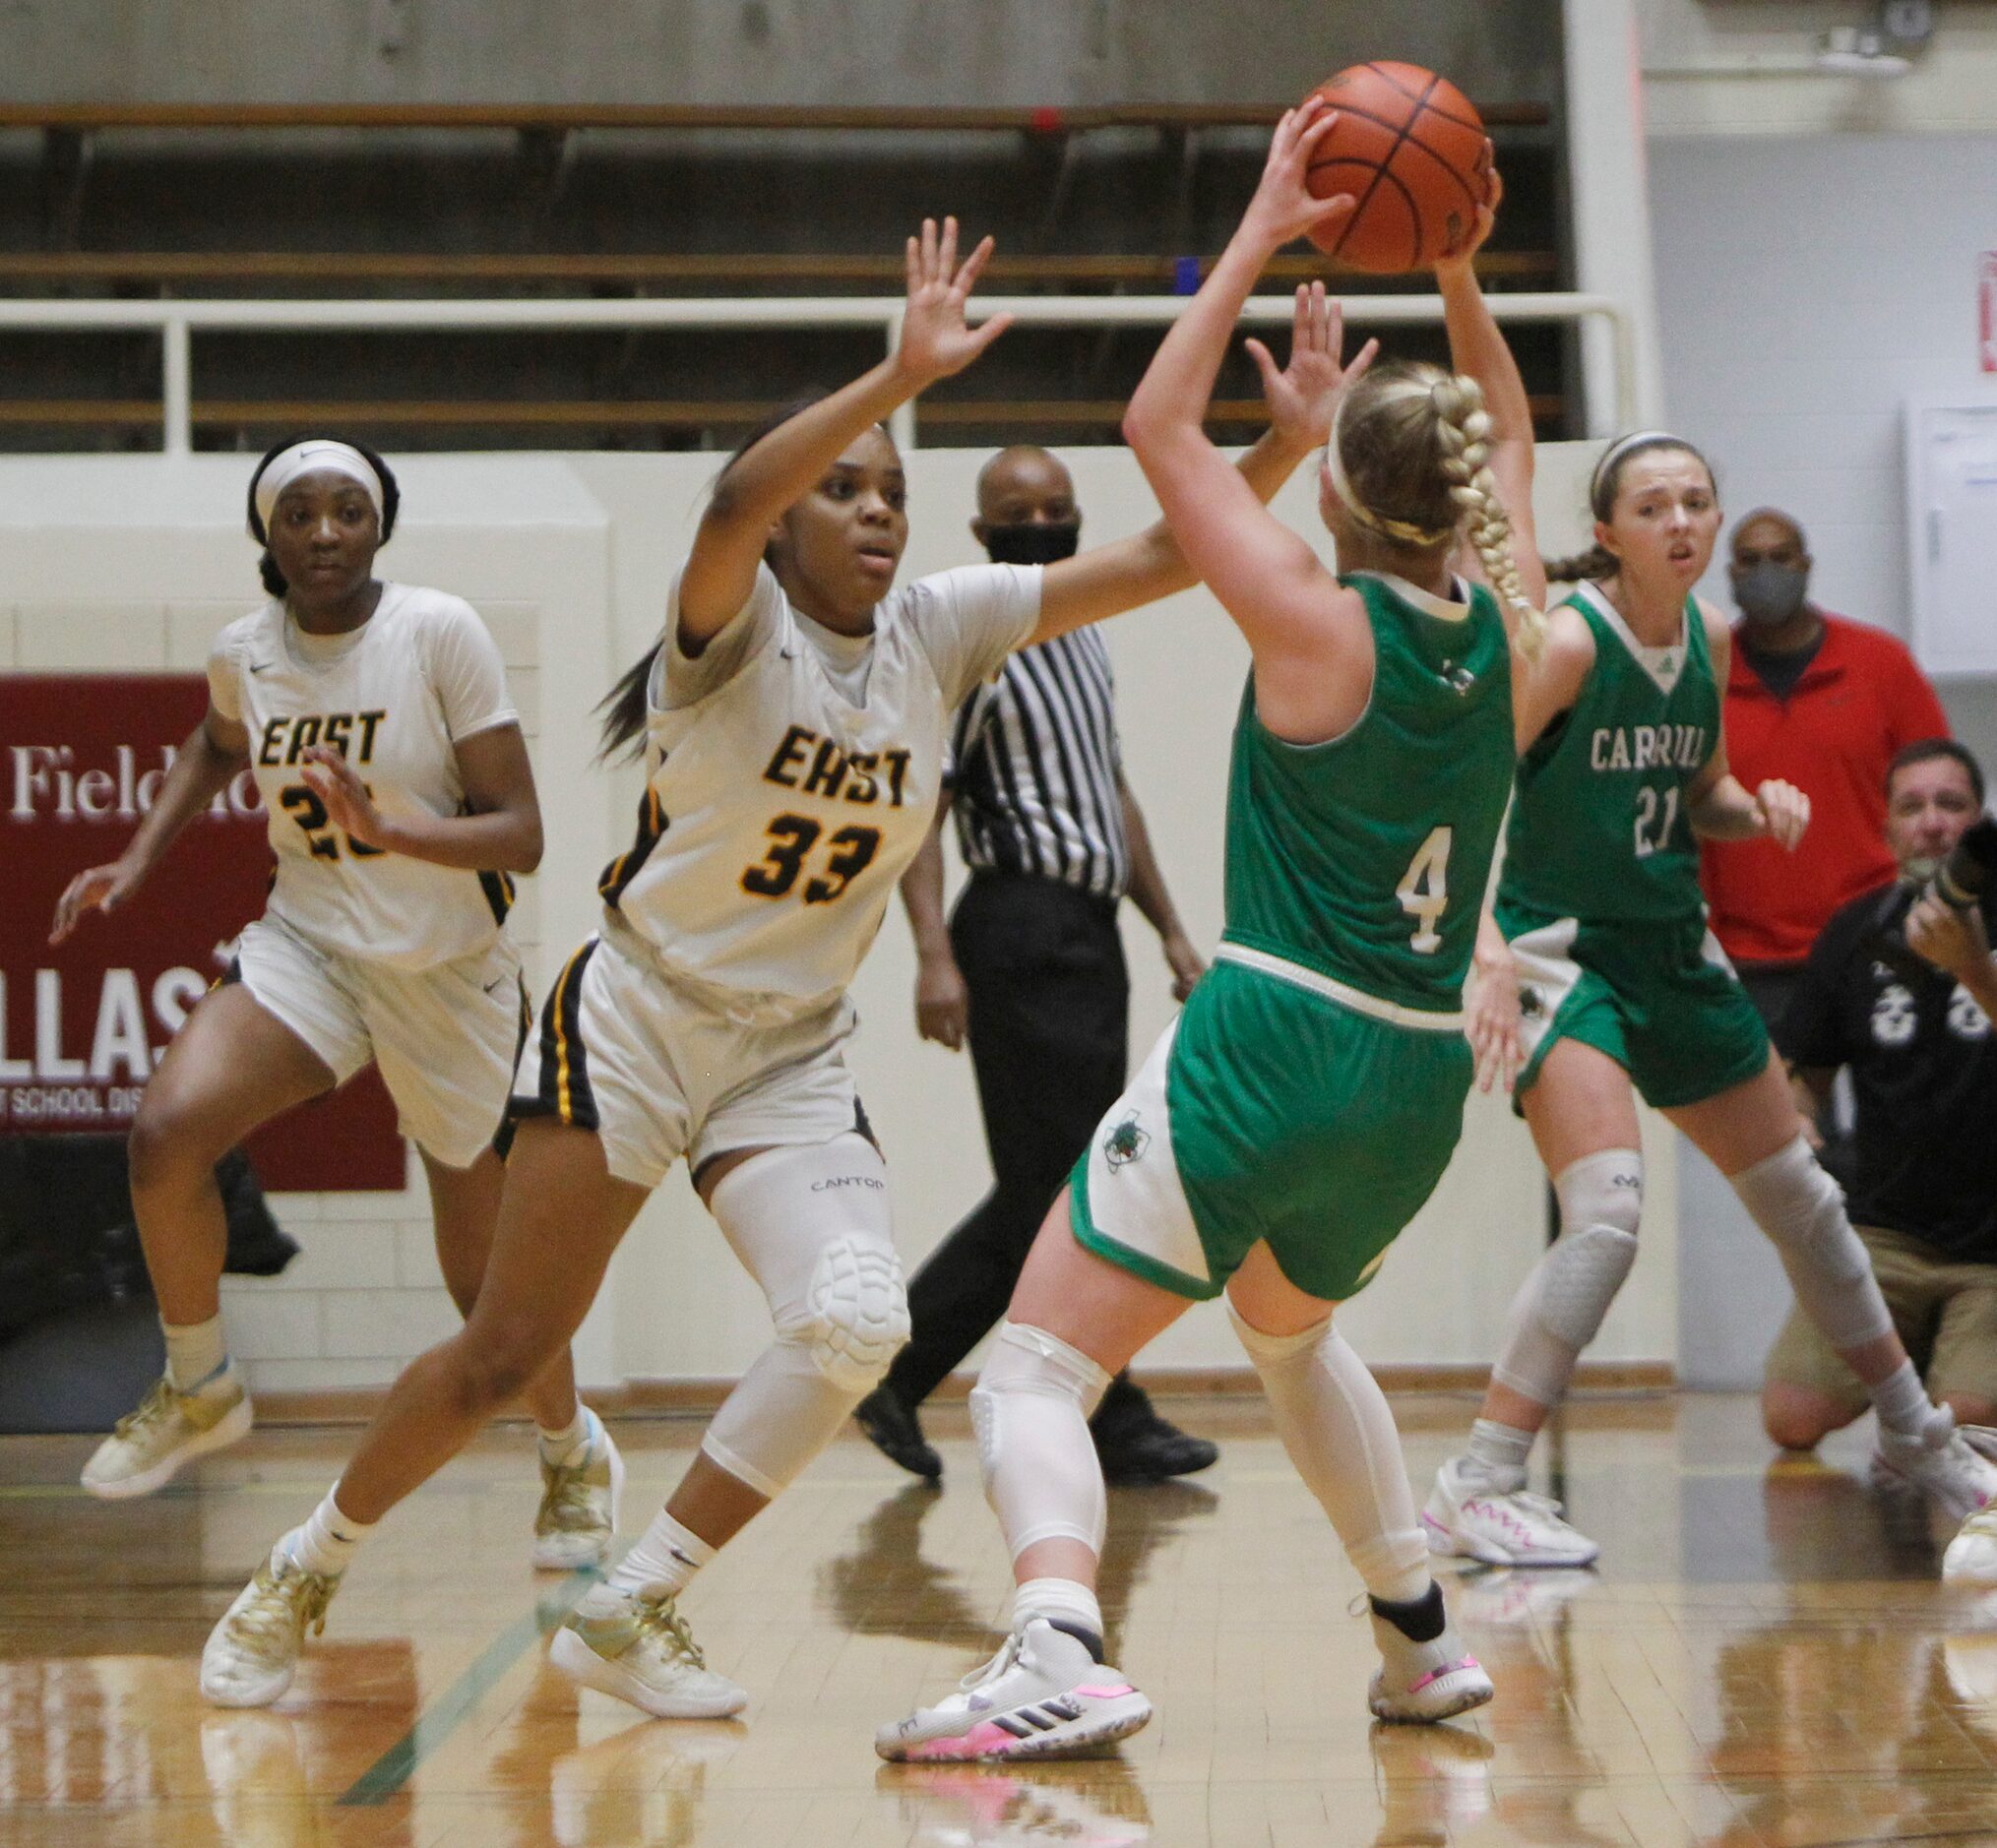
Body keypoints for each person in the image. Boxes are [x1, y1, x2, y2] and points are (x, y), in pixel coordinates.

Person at [198, 218, 1339, 1716]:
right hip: (637, 1018)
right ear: (794, 529)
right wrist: (896, 372)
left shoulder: (940, 625)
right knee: (504, 1349)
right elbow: (737, 488)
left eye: (891, 494)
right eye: (845, 493)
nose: (873, 511)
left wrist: (1282, 443)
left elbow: (1157, 554)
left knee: (858, 1322)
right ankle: (303, 1566)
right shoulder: (725, 638)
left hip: (789, 1049)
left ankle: (636, 1598)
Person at [879, 105, 1543, 1762]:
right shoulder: (1521, 636)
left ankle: (1052, 1640)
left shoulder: (1317, 627)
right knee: (1288, 1334)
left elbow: (1155, 426)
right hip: (1407, 1088)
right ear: (1463, 490)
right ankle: (1418, 1632)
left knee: (1026, 1367)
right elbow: (1512, 438)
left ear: (1336, 482)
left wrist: (1254, 225)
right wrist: (1456, 263)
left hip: (1269, 1039)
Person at [1422, 445, 1997, 1571]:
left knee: (1805, 1201)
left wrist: (1755, 809)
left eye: (1694, 501)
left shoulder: (1713, 639)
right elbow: (1465, 787)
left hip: (1672, 948)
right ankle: (1480, 1477)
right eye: (1653, 505)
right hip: (1562, 953)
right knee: (1607, 1217)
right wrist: (1479, 944)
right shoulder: (1573, 639)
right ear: (1612, 527)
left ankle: (1919, 1434)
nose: (1679, 520)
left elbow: (1696, 793)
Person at [49, 437, 617, 1571]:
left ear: (379, 527)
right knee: (166, 1135)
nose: (320, 532)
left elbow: (523, 832)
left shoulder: (437, 633)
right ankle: (200, 1381)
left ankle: (570, 1452)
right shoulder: (244, 654)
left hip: (445, 970)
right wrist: (139, 856)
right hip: (310, 945)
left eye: (345, 511)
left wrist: (392, 829)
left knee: (485, 1288)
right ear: (268, 535)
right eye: (297, 513)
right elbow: (215, 747)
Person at [855, 442, 1217, 1487]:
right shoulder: (971, 644)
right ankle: (1095, 1403)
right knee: (1062, 1191)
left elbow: (1114, 793)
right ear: (981, 535)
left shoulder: (1088, 635)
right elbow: (924, 803)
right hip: (1013, 923)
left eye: (1058, 509)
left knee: (1059, 1184)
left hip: (1090, 928)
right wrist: (932, 953)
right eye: (1019, 513)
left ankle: (904, 1372)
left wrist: (1169, 927)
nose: (1042, 524)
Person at [1762, 740, 1997, 1448]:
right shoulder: (1856, 932)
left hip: (1990, 1251)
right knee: (1790, 1418)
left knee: (1962, 1429)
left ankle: (1951, 1367)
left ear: (1976, 822)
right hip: (1883, 1235)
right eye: (1911, 807)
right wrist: (1795, 1122)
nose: (1931, 823)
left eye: (1949, 805)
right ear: (1887, 827)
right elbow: (1796, 1068)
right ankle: (1918, 1348)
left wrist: (1970, 967)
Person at [1701, 507, 1950, 1030]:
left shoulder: (1881, 664)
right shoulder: (1705, 674)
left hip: (1876, 942)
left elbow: (1940, 793)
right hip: (1750, 961)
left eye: (1780, 557)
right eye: (1749, 560)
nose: (1766, 571)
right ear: (1730, 575)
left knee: (1893, 1108)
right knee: (1784, 1112)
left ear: (1806, 565)